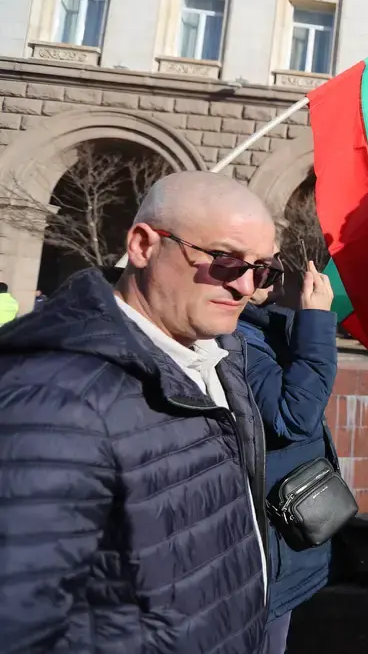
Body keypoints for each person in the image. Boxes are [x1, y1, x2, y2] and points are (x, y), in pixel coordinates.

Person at [0, 171, 277, 653]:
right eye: (226, 261)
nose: (246, 286)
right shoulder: (56, 397)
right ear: (144, 245)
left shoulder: (217, 355)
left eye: (263, 270)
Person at [238, 259, 338, 654]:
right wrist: (315, 320)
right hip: (267, 548)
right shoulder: (238, 338)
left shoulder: (265, 324)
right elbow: (294, 416)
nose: (277, 269)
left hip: (284, 534)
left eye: (276, 260)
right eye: (262, 266)